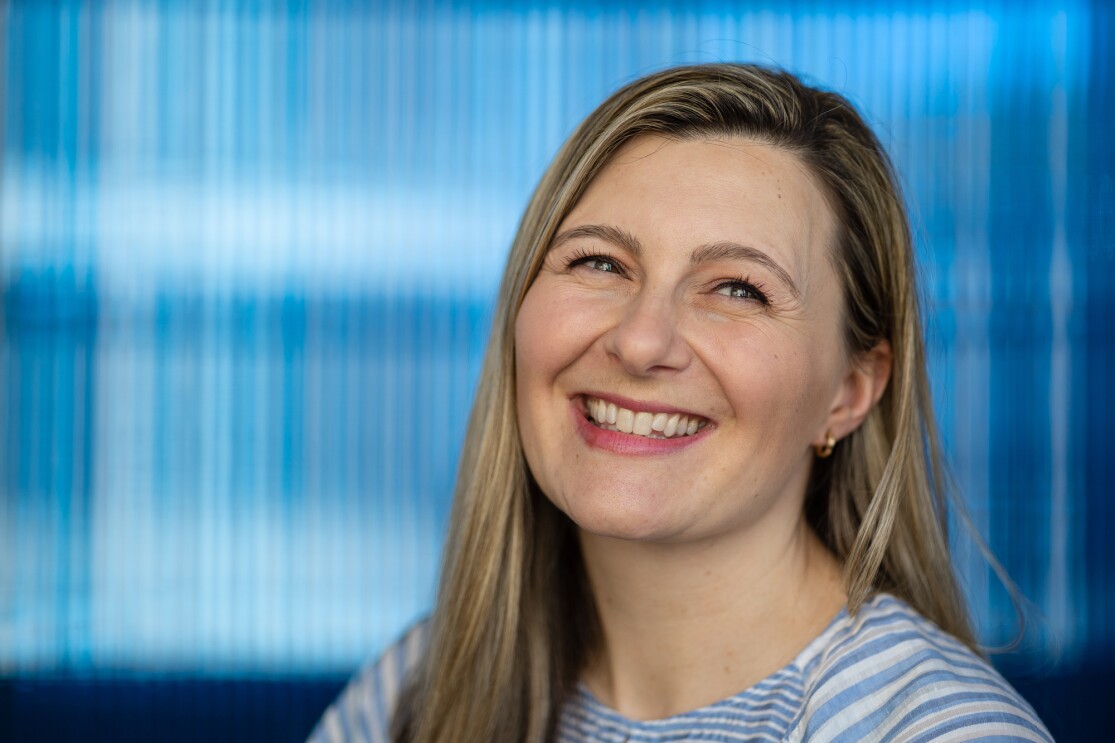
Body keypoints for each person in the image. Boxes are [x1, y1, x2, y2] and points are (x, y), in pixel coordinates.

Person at [310, 63, 1052, 742]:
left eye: (737, 288)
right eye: (598, 261)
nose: (639, 341)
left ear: (848, 393)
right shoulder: (415, 689)